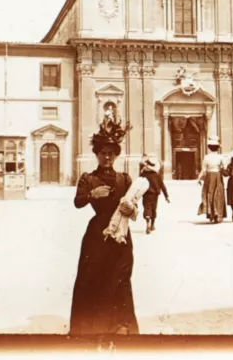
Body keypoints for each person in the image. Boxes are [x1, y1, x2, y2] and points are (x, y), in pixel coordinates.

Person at [69, 117, 139, 336]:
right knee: (94, 278)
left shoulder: (125, 179)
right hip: (97, 236)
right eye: (103, 153)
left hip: (121, 236)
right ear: (97, 155)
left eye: (111, 153)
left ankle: (122, 324)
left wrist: (131, 210)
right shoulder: (88, 178)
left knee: (120, 277)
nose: (107, 157)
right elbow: (77, 202)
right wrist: (91, 194)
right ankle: (91, 326)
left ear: (116, 155)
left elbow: (135, 210)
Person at [197, 136, 228, 223]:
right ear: (217, 148)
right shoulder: (221, 157)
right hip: (218, 176)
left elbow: (203, 170)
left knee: (209, 194)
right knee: (218, 195)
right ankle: (219, 214)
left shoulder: (206, 157)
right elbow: (224, 168)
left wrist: (199, 179)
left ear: (209, 148)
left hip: (209, 177)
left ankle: (211, 214)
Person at [140, 157, 170, 234]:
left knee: (147, 207)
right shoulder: (157, 175)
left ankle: (147, 219)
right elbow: (162, 186)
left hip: (146, 194)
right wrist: (166, 196)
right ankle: (152, 225)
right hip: (155, 195)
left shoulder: (143, 174)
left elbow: (138, 184)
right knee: (153, 209)